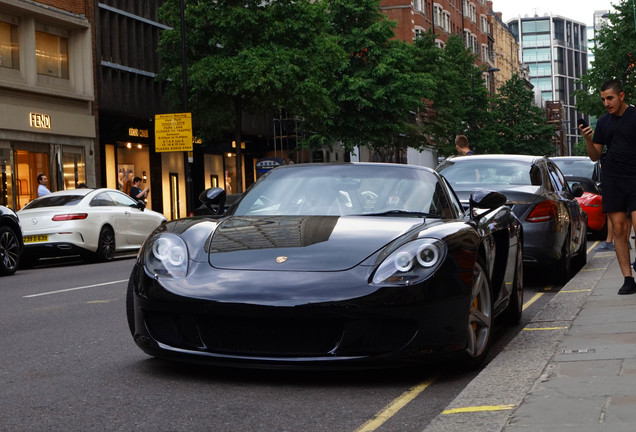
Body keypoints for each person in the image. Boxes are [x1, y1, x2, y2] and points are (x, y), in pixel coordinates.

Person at [581, 79, 636, 295]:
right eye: (603, 99)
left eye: (610, 98)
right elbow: (595, 155)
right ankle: (628, 279)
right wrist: (588, 139)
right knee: (620, 229)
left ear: (621, 96)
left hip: (635, 177)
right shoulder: (603, 122)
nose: (606, 103)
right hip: (612, 178)